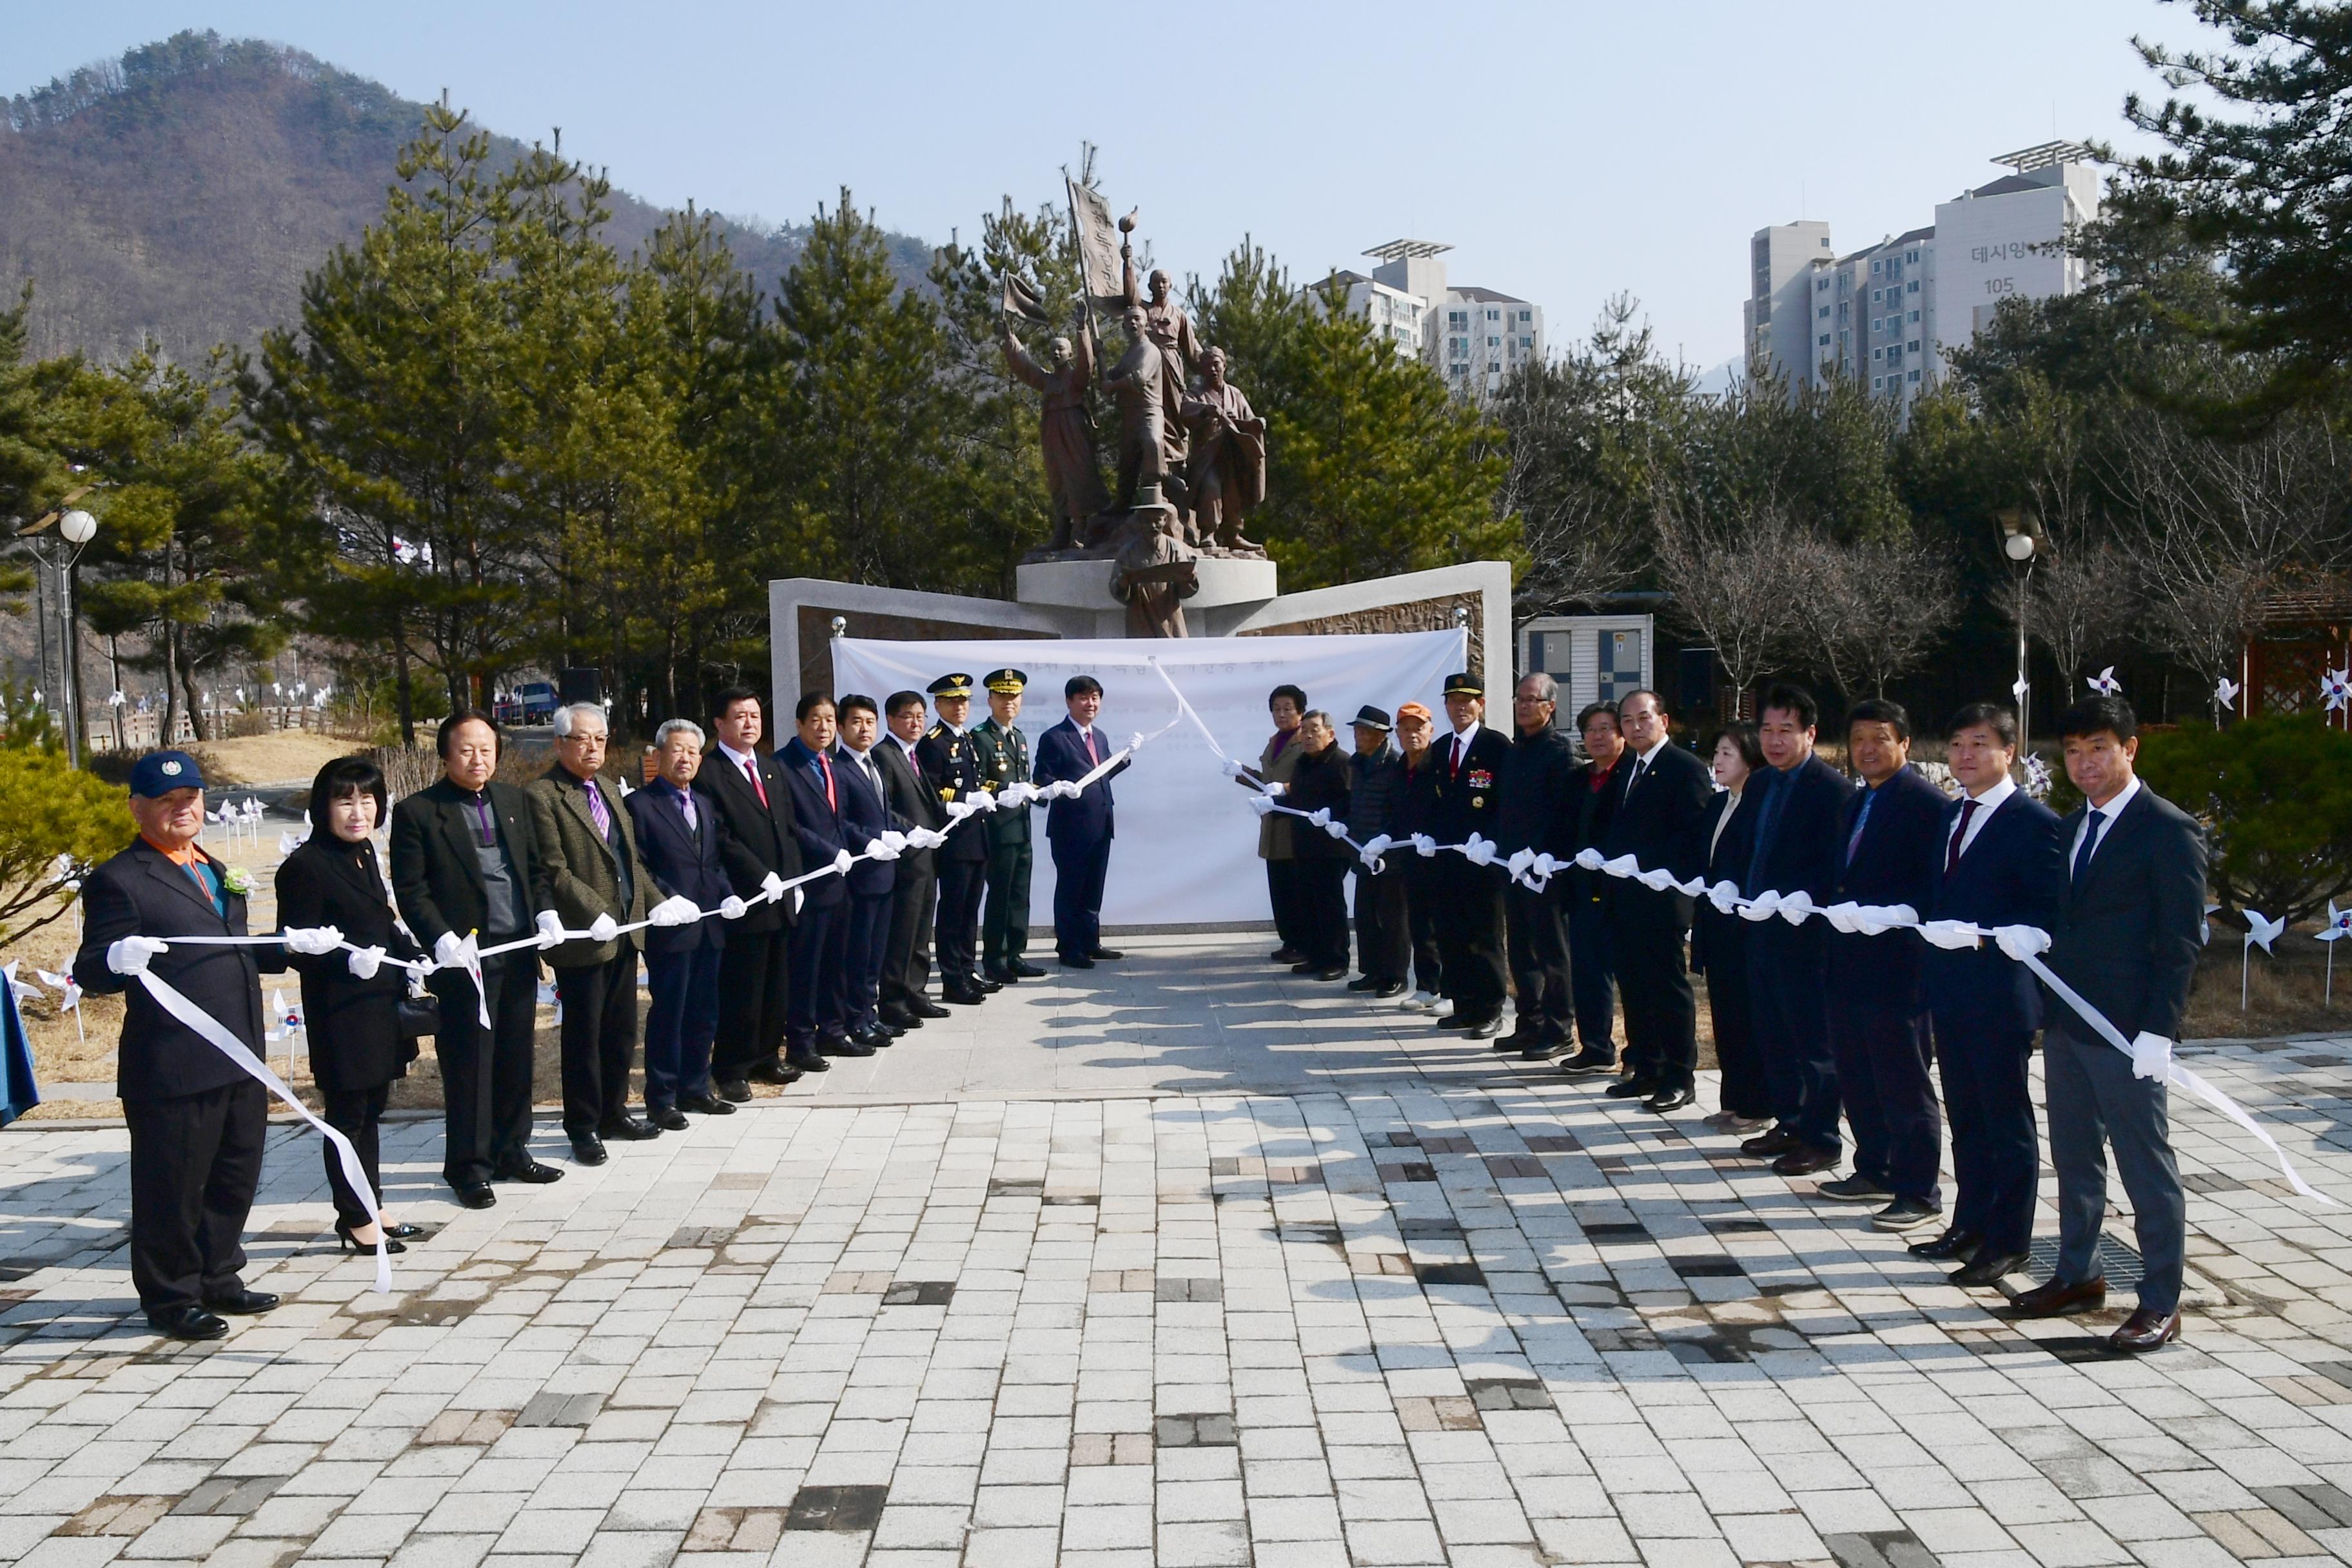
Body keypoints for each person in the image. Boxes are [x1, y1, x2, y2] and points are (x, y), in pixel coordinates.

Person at [2010, 696, 2204, 1353]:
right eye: (2072, 750)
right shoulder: (2069, 829)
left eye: (2099, 746)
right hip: (2068, 1023)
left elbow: (2180, 942)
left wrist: (2161, 1030)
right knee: (2074, 1155)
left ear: (2130, 748)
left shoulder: (2167, 829)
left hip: (2128, 1032)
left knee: (2145, 1162)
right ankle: (2078, 1272)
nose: (2085, 762)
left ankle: (2160, 1300)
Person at [72, 750, 288, 1340]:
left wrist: (290, 947)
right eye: (166, 801)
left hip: (240, 1054)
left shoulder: (215, 868)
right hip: (173, 1064)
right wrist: (117, 958)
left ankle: (219, 1276)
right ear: (137, 807)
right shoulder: (120, 878)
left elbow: (229, 948)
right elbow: (92, 966)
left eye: (190, 797)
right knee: (173, 1187)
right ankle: (171, 1298)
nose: (182, 809)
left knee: (233, 1176)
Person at [1914, 703, 2064, 1286]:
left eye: (1979, 744)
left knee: (2007, 1123)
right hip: (1950, 992)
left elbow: (2047, 914)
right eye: (1956, 745)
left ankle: (2009, 1240)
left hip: (2000, 995)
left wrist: (1983, 937)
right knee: (1967, 1117)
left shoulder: (2034, 822)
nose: (1965, 756)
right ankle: (1970, 1224)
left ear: (2009, 752)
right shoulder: (1952, 817)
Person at [391, 710, 562, 1209]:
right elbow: (412, 888)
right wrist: (439, 938)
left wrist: (545, 912)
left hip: (516, 951)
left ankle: (513, 1149)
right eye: (466, 749)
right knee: (470, 1064)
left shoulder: (514, 801)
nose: (477, 758)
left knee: (515, 1055)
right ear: (445, 754)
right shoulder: (418, 812)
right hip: (464, 959)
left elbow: (534, 870)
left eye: (486, 749)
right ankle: (468, 1167)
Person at [276, 756, 426, 1257]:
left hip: (380, 1003)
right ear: (324, 806)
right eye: (345, 800)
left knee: (374, 1108)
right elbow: (295, 948)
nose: (358, 811)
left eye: (367, 799)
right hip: (340, 1012)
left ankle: (373, 1203)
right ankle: (354, 1217)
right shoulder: (303, 866)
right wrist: (344, 965)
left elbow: (382, 922)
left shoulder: (364, 852)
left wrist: (420, 955)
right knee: (348, 1113)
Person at [1818, 699, 1949, 1230]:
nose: (1867, 750)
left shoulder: (1926, 804)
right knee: (1857, 1070)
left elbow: (1932, 885)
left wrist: (1892, 913)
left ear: (1905, 744)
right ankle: (1874, 1166)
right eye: (1858, 740)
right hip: (1849, 959)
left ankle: (1918, 1188)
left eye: (1880, 738)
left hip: (1900, 965)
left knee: (1903, 1078)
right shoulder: (1857, 800)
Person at [528, 702, 658, 1166]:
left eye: (600, 738)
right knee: (583, 1038)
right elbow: (554, 869)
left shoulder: (607, 788)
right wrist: (596, 910)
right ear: (560, 743)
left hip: (623, 933)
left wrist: (659, 906)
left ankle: (613, 1111)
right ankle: (582, 1126)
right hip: (584, 937)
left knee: (621, 1031)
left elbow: (629, 862)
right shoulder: (543, 795)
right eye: (582, 738)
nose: (592, 747)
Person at [1739, 683, 1849, 1177]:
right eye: (1767, 730)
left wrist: (1801, 896)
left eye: (1787, 730)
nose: (1775, 740)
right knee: (1774, 1033)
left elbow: (1835, 865)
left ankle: (1822, 1137)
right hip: (1761, 929)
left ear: (1810, 733)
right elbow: (1749, 848)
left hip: (1808, 936)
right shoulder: (1761, 783)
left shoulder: (1833, 790)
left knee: (1813, 1041)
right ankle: (1790, 1119)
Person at [1596, 690, 1714, 1111]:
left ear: (1664, 720)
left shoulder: (1684, 768)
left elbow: (1693, 835)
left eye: (1643, 718)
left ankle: (1679, 1075)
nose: (1635, 726)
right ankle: (1645, 1065)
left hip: (1663, 897)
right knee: (1634, 984)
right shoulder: (1629, 766)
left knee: (1666, 987)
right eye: (1627, 720)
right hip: (1624, 897)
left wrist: (1645, 862)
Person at [629, 719, 738, 1129]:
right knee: (670, 1014)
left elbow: (712, 862)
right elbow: (637, 864)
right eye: (677, 750)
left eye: (693, 752)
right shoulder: (640, 805)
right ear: (658, 756)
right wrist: (666, 899)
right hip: (671, 928)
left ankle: (696, 1086)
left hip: (710, 924)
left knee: (705, 1011)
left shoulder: (705, 803)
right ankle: (662, 1097)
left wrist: (727, 893)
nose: (686, 758)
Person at [698, 687, 808, 1094]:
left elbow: (788, 830)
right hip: (743, 898)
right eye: (740, 716)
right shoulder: (709, 772)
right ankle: (732, 1068)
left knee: (777, 984)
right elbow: (721, 836)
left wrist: (793, 881)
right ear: (720, 724)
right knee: (742, 987)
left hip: (781, 897)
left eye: (755, 716)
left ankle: (767, 1056)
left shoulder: (769, 767)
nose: (750, 723)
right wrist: (761, 875)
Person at [1418, 672, 1511, 1038]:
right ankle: (1463, 1005)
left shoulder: (1497, 746)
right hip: (1447, 859)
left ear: (1481, 705)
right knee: (1451, 933)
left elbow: (1504, 803)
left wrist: (1491, 840)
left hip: (1483, 860)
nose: (1460, 707)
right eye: (1453, 700)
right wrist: (1426, 837)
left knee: (1484, 935)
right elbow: (1433, 803)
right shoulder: (1440, 749)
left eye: (1467, 700)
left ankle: (1490, 1008)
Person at [779, 694, 871, 1059]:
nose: (824, 727)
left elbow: (841, 819)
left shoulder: (830, 763)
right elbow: (792, 825)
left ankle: (833, 1031)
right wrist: (828, 851)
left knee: (837, 962)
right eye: (816, 720)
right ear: (800, 724)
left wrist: (864, 842)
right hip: (809, 878)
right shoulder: (784, 767)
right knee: (807, 966)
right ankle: (801, 1041)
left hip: (839, 881)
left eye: (830, 720)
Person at [1692, 725, 1770, 1133]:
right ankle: (1733, 1098)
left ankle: (1757, 1104)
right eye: (1717, 753)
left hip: (1745, 926)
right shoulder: (1719, 803)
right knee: (1724, 1016)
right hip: (1715, 923)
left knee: (1748, 1018)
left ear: (1750, 759)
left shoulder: (1758, 806)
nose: (1717, 762)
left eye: (1727, 754)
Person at [1496, 674, 1579, 1061]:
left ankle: (1559, 1027)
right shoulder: (1515, 750)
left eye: (1532, 700)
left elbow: (1562, 816)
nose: (1523, 706)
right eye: (1520, 699)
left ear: (1550, 707)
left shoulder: (1560, 753)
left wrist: (1539, 853)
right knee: (1521, 951)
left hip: (1545, 870)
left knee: (1553, 953)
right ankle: (1528, 1022)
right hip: (1512, 866)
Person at [1034, 675, 1131, 968]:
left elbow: (1099, 775)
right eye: (1084, 698)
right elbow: (1042, 779)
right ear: (1069, 701)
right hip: (1070, 828)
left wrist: (1123, 760)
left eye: (1095, 697)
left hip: (1101, 823)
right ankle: (1069, 947)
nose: (1091, 704)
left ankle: (1091, 942)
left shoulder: (1098, 736)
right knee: (1071, 888)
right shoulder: (1054, 737)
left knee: (1093, 887)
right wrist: (1060, 786)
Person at [1557, 702, 1625, 1077]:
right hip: (1582, 889)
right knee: (1586, 970)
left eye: (1606, 728)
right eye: (1590, 730)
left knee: (1630, 977)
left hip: (1623, 890)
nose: (1598, 737)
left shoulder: (1629, 776)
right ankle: (1596, 1046)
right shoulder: (1578, 779)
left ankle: (1643, 1055)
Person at [876, 691, 950, 1030]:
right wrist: (912, 831)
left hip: (926, 858)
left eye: (920, 716)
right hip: (905, 859)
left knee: (921, 929)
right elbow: (885, 808)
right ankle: (893, 1000)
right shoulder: (884, 755)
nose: (916, 723)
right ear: (891, 720)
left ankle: (917, 992)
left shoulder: (912, 754)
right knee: (902, 933)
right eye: (908, 716)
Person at [834, 694, 905, 1049]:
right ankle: (855, 1019)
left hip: (885, 873)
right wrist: (870, 842)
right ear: (842, 727)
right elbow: (842, 821)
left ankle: (870, 1015)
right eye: (857, 722)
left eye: (870, 722)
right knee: (858, 955)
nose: (865, 729)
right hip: (860, 876)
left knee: (876, 953)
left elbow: (885, 814)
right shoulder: (839, 768)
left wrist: (904, 832)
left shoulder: (872, 764)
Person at [918, 672, 993, 1006]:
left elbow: (977, 782)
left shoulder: (968, 739)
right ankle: (952, 979)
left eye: (963, 700)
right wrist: (959, 800)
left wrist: (996, 793)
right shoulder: (932, 742)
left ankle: (967, 968)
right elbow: (930, 790)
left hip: (976, 835)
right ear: (938, 704)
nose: (959, 706)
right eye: (952, 700)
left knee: (969, 910)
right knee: (952, 911)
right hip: (953, 839)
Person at [972, 670, 1041, 986]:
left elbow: (1025, 780)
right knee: (999, 895)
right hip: (998, 829)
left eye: (1014, 697)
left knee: (1019, 895)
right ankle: (994, 958)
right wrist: (1005, 789)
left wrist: (1039, 790)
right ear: (990, 700)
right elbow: (977, 782)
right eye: (1001, 696)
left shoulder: (1020, 738)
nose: (1008, 702)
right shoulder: (980, 737)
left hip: (1022, 828)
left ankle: (1016, 954)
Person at [1344, 705, 1411, 999]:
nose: (1358, 736)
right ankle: (1372, 971)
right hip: (1362, 853)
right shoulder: (1357, 765)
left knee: (1393, 920)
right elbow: (1355, 805)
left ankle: (1395, 975)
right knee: (1366, 916)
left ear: (1381, 735)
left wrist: (1384, 840)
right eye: (1357, 731)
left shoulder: (1394, 765)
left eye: (1364, 731)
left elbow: (1398, 812)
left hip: (1389, 858)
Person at [1283, 710, 1355, 980]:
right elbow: (1299, 803)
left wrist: (1331, 814)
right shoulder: (1302, 763)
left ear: (1330, 733)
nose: (1309, 736)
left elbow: (1350, 802)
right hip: (1303, 845)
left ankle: (1336, 960)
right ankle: (1315, 956)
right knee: (1308, 902)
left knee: (1330, 904)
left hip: (1331, 848)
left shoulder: (1341, 762)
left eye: (1315, 730)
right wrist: (1274, 804)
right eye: (1305, 731)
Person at [1242, 684, 1309, 964]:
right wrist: (1241, 773)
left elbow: (1313, 781)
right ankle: (1289, 941)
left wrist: (1285, 787)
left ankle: (1304, 944)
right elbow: (1265, 780)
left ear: (1300, 712)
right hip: (1273, 829)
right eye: (1276, 709)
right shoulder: (1274, 741)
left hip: (1295, 830)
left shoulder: (1306, 741)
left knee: (1298, 892)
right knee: (1280, 891)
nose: (1281, 714)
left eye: (1287, 709)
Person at [1391, 703, 1447, 1009]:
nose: (1413, 734)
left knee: (1445, 925)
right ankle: (1427, 986)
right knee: (1420, 924)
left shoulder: (1440, 764)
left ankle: (1451, 989)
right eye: (1406, 729)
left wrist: (1436, 837)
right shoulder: (1399, 768)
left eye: (1419, 728)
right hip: (1411, 859)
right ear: (1398, 733)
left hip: (1441, 858)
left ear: (1431, 730)